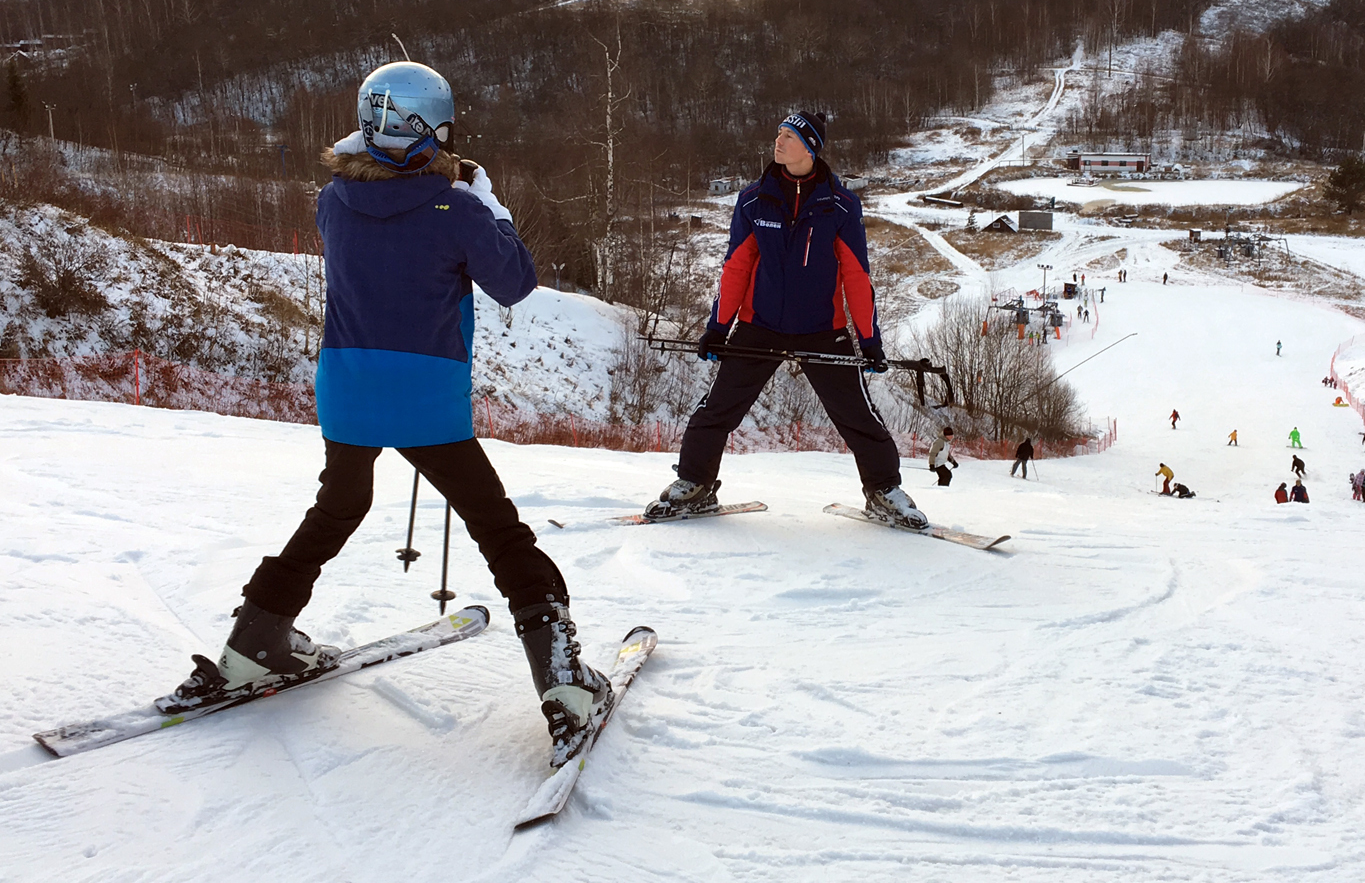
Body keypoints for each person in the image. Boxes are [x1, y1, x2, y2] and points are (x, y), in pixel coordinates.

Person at [154, 61, 610, 768]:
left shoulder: (333, 200)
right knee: (498, 530)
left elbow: (370, 195)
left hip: (347, 388)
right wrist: (488, 204)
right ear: (439, 127)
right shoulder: (457, 211)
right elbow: (516, 283)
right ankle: (563, 681)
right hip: (426, 398)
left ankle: (253, 645)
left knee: (336, 510)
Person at [645, 111, 926, 529]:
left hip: (823, 330)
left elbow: (855, 275)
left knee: (858, 414)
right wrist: (717, 327)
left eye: (790, 135)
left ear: (810, 148)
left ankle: (884, 490)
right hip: (760, 326)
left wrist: (869, 339)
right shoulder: (754, 200)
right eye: (778, 132)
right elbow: (736, 267)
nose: (778, 141)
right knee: (716, 409)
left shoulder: (842, 206)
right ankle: (694, 484)